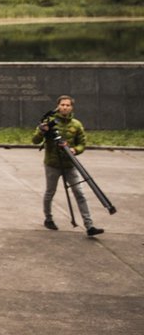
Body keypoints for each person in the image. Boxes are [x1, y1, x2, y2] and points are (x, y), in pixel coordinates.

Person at [32, 95, 103, 236]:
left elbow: (82, 144)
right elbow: (35, 140)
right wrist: (42, 131)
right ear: (58, 106)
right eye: (62, 105)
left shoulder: (76, 125)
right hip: (52, 164)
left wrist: (75, 150)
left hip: (70, 165)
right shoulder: (49, 122)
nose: (65, 107)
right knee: (50, 192)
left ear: (71, 107)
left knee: (79, 193)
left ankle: (89, 226)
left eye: (67, 105)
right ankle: (48, 218)